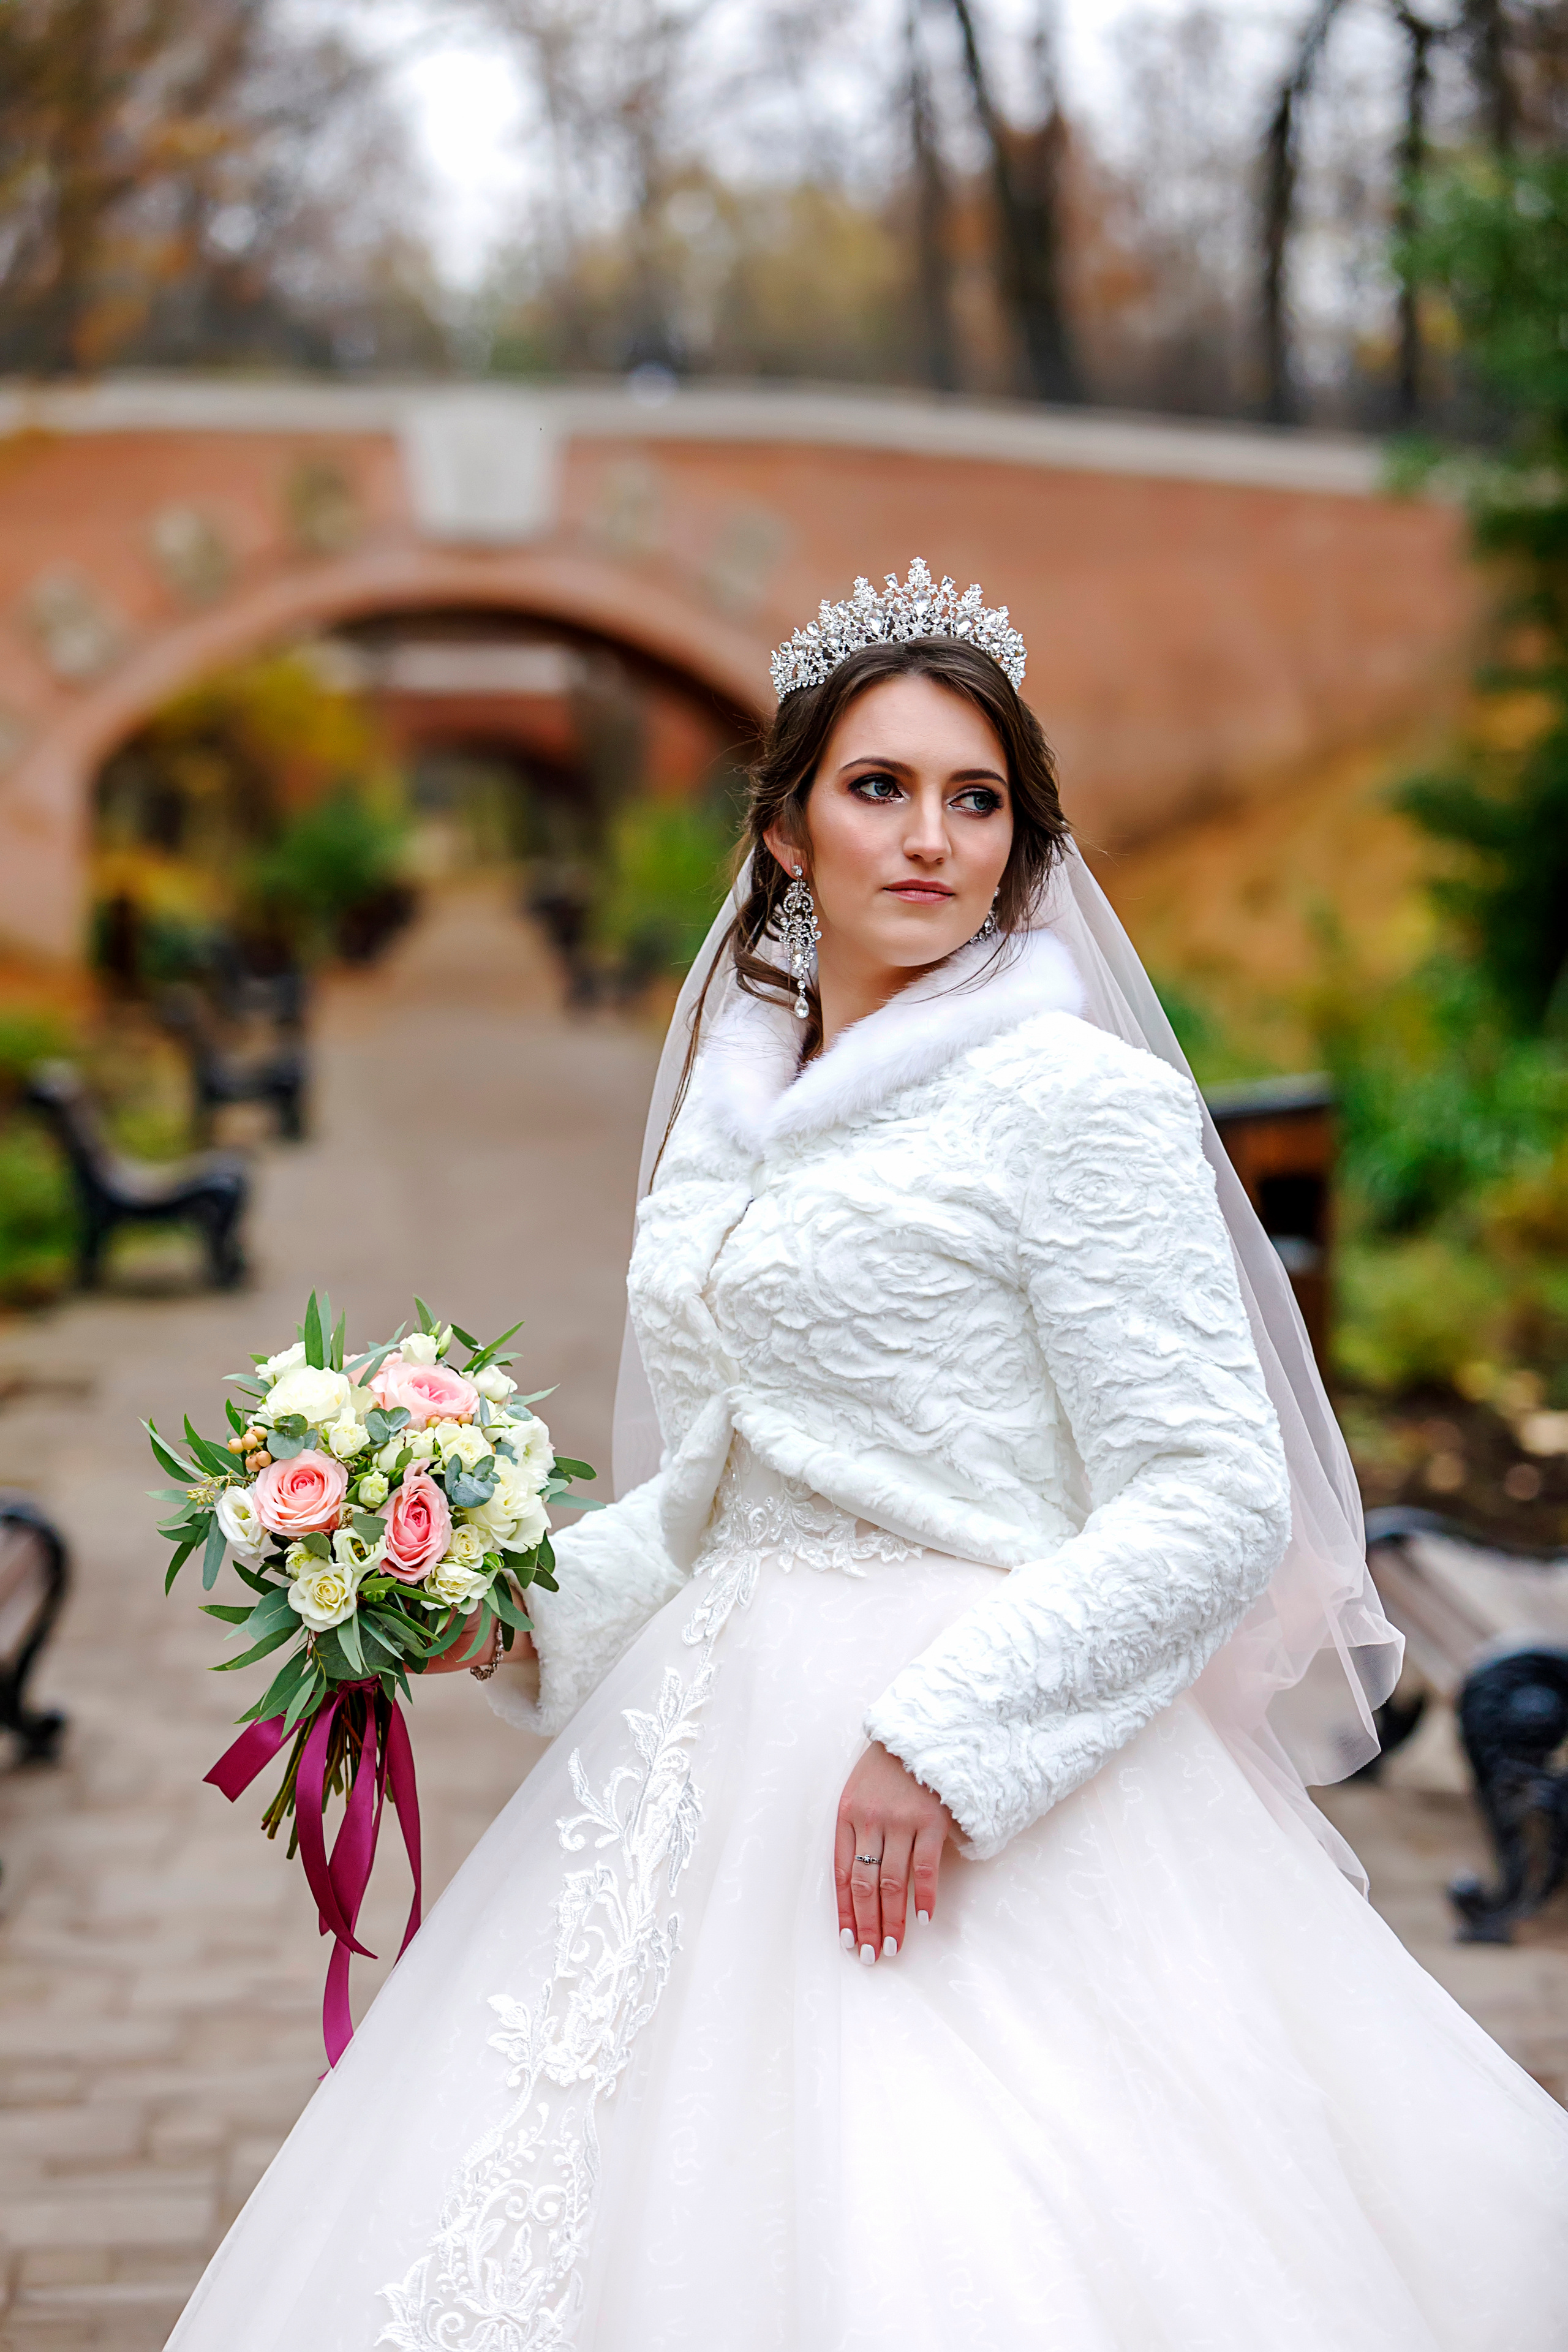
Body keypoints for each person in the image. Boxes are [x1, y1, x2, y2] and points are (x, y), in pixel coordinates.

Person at [168, 564, 1568, 2352]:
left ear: (1023, 844)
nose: (931, 839)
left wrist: (945, 1741)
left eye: (976, 799)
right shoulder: (730, 1120)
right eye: (879, 788)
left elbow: (1216, 1498)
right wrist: (506, 1611)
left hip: (984, 1757)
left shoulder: (1079, 1105)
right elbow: (718, 1497)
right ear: (782, 832)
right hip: (708, 1741)